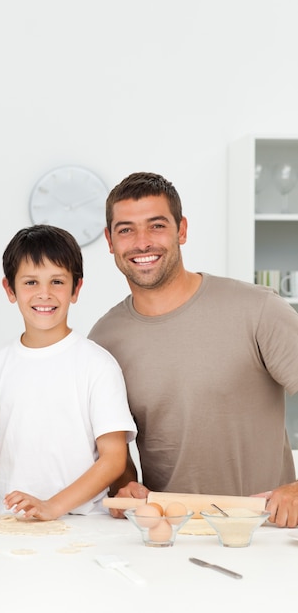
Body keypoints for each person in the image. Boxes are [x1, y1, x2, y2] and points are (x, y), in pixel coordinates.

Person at [89, 171, 298, 528]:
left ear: (181, 230)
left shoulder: (257, 309)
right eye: (126, 229)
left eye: (156, 226)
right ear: (110, 241)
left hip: (264, 531)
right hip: (167, 534)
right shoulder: (104, 340)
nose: (142, 243)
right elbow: (116, 450)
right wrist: (125, 485)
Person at [0, 224, 137, 521]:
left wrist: (52, 506)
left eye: (57, 282)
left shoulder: (98, 365)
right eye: (31, 283)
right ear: (10, 289)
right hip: (5, 519)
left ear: (76, 289)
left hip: (79, 522)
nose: (44, 294)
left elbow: (114, 460)